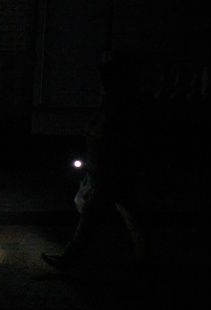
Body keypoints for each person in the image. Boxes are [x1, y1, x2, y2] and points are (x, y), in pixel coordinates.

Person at [42, 56, 148, 271]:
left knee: (93, 217)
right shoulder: (114, 102)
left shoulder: (119, 104)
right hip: (107, 172)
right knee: (128, 217)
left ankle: (69, 260)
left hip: (110, 174)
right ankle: (147, 259)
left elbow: (113, 138)